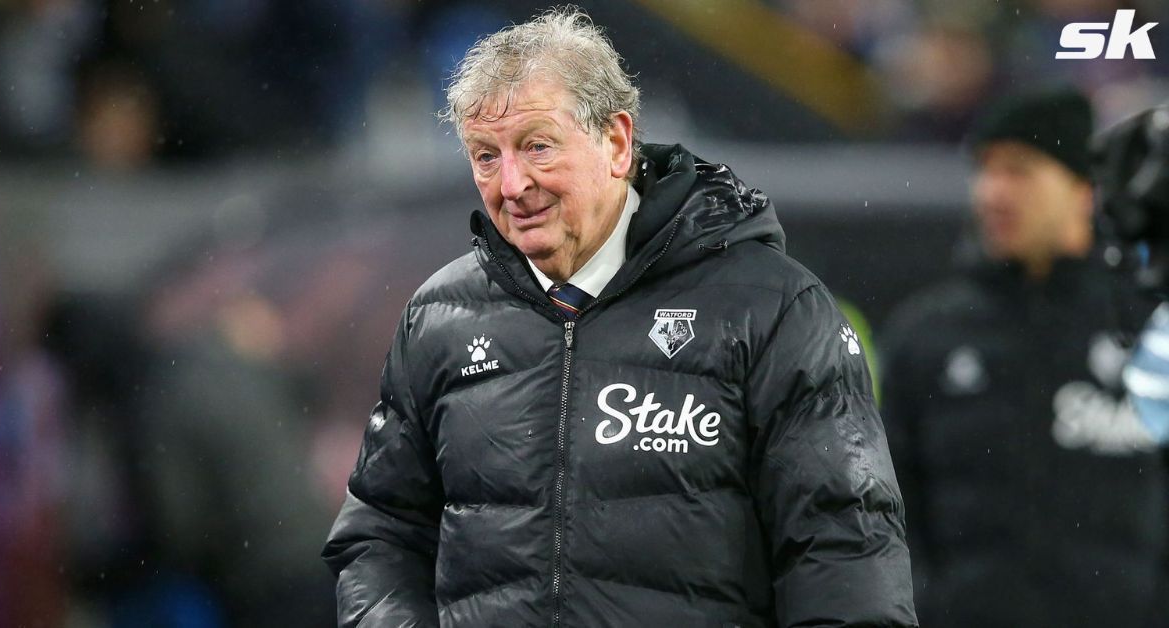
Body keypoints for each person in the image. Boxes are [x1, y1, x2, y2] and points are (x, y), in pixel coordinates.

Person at [323, 8, 917, 627]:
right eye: (485, 156)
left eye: (536, 145)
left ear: (616, 141)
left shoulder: (769, 309)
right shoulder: (440, 317)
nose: (511, 183)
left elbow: (843, 547)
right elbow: (380, 531)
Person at [880, 87, 1169, 628]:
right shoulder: (926, 335)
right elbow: (883, 519)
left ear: (1084, 189)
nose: (991, 193)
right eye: (985, 170)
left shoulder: (1150, 326)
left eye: (1019, 171)